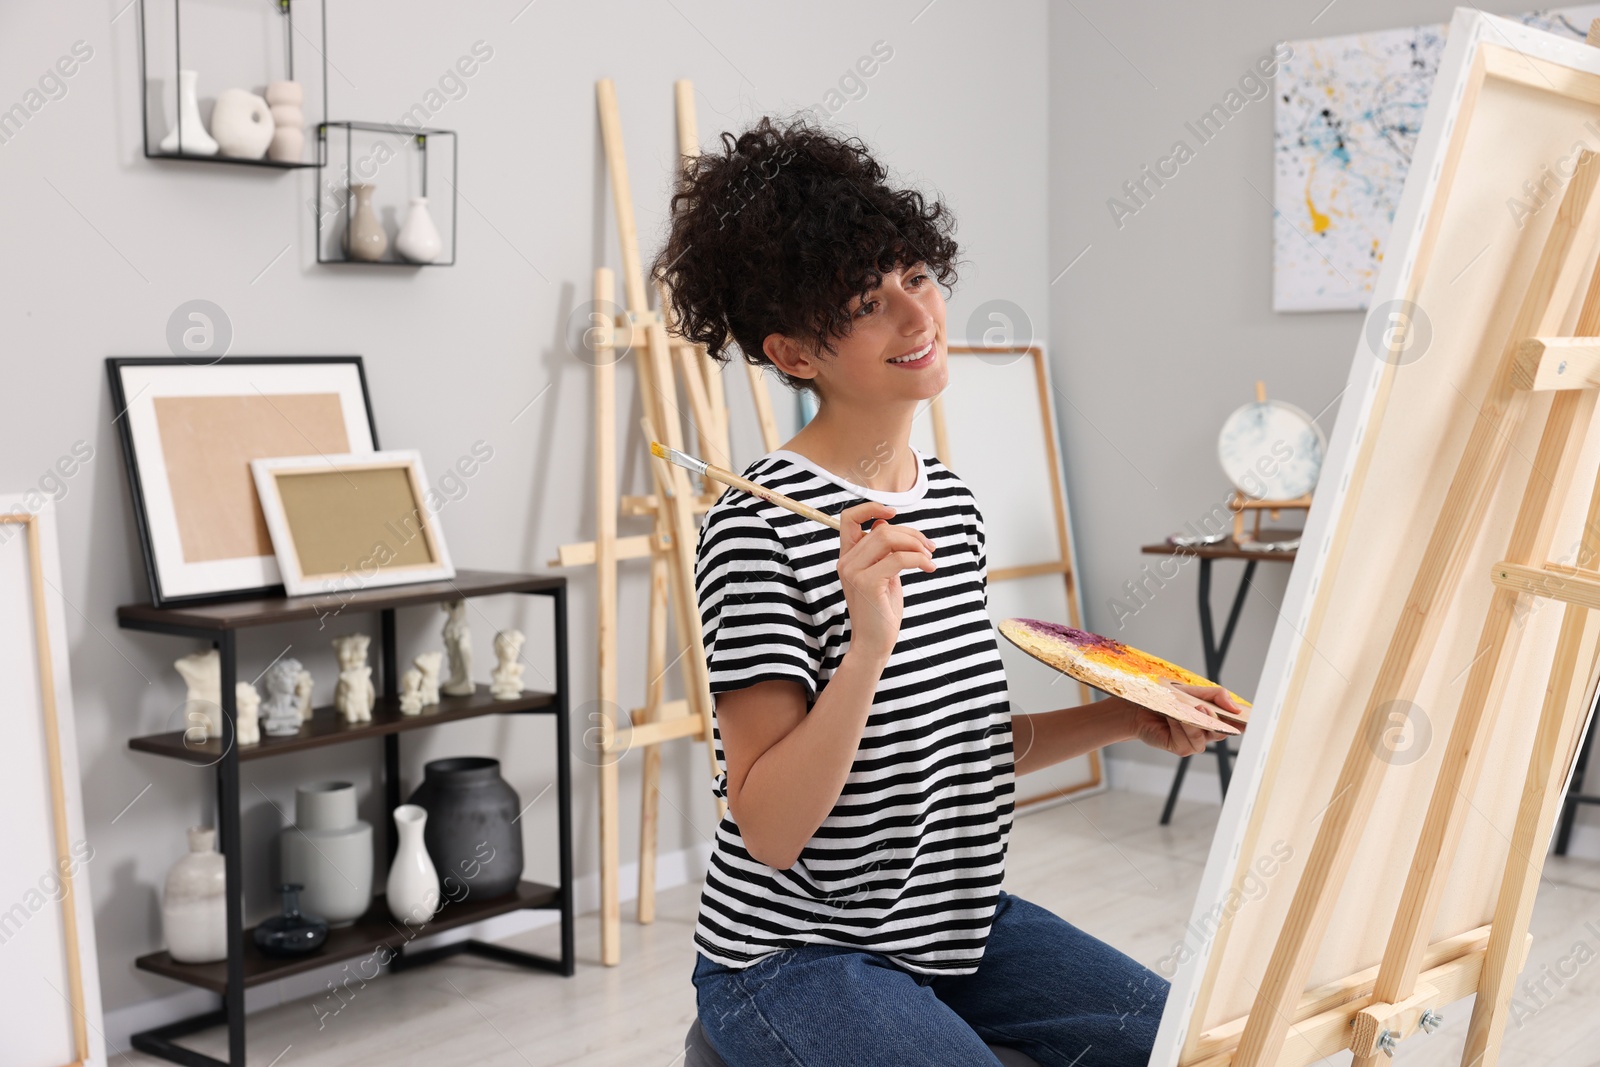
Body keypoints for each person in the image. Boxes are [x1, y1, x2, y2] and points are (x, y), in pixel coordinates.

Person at [650, 114, 1240, 1067]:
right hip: (796, 955)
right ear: (796, 354)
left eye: (915, 276)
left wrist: (1125, 718)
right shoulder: (757, 529)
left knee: (1192, 1047)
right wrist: (867, 648)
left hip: (955, 934)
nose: (919, 317)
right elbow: (767, 825)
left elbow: (954, 753)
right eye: (866, 300)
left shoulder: (949, 504)